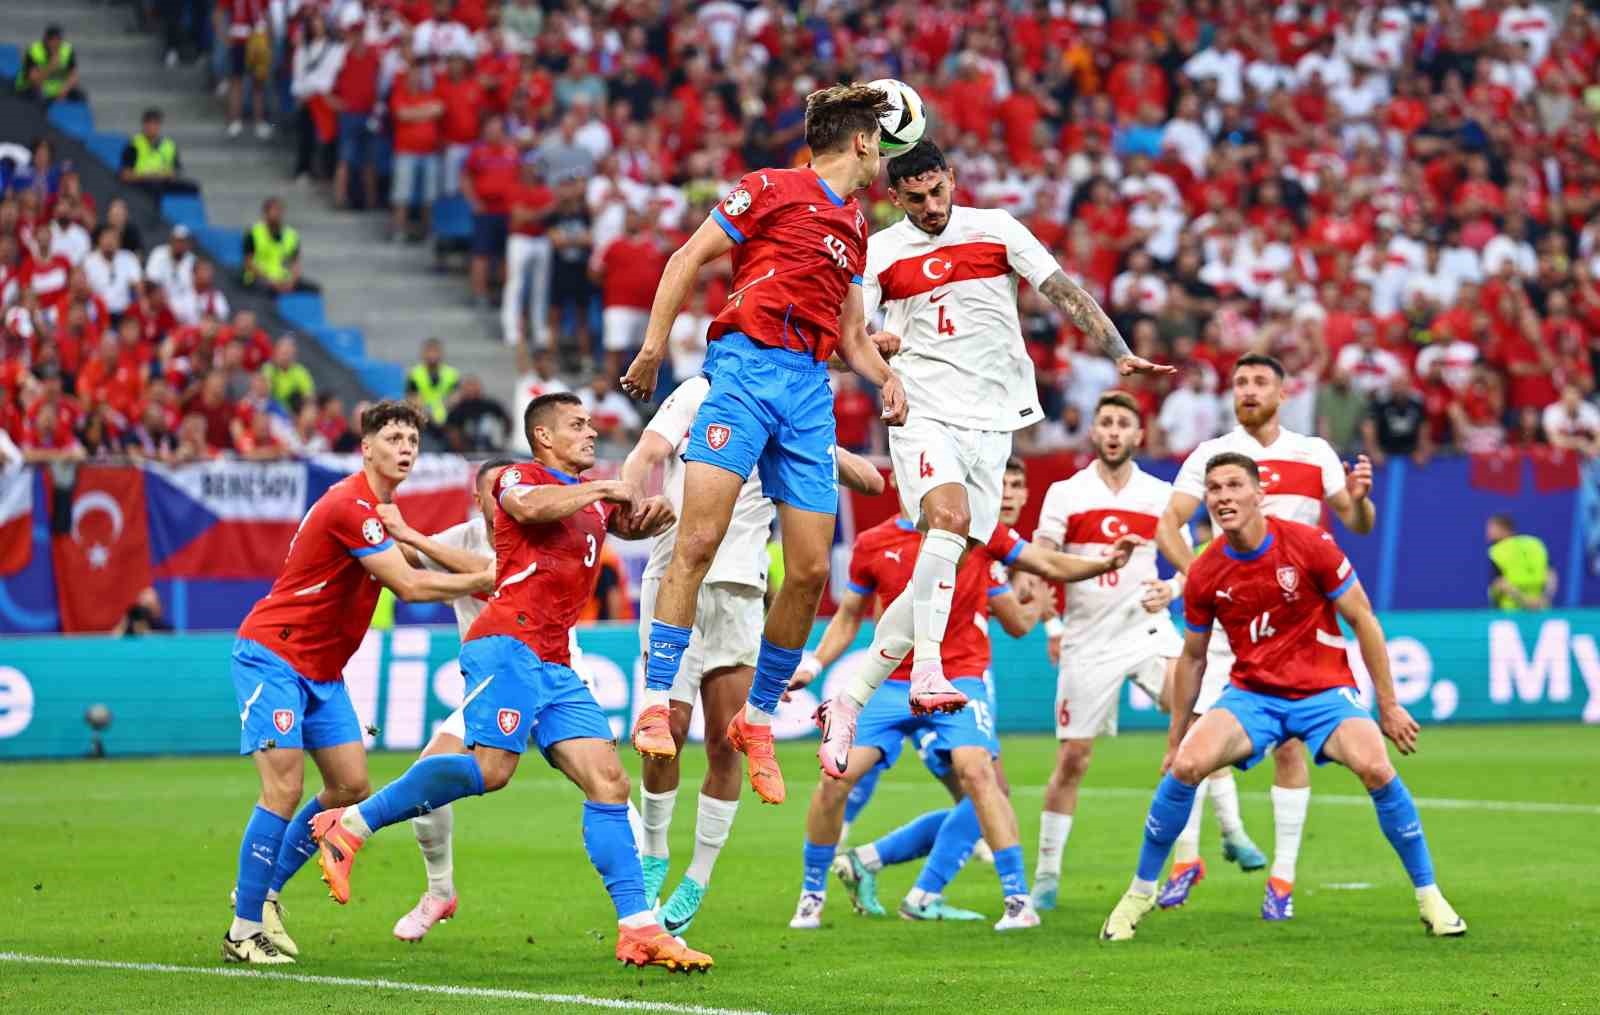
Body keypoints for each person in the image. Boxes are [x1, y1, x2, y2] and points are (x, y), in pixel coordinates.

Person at [810, 139, 1170, 928]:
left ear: (951, 184)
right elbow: (851, 331)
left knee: (955, 547)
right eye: (915, 198)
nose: (930, 208)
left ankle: (857, 690)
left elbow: (1063, 290)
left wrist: (1117, 350)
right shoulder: (881, 250)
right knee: (942, 522)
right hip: (920, 412)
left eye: (937, 193)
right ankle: (927, 667)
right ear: (897, 198)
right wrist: (881, 358)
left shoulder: (998, 228)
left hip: (993, 419)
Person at [308, 394, 712, 973]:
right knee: (492, 771)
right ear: (543, 436)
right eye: (577, 425)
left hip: (555, 660)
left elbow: (620, 520)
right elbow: (528, 507)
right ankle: (351, 824)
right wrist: (602, 489)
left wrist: (652, 514)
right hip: (507, 643)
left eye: (592, 424)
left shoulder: (588, 503)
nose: (592, 432)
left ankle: (637, 928)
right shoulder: (518, 477)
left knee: (610, 782)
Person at [617, 83, 910, 807]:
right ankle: (656, 699)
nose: (884, 158)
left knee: (810, 569)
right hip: (746, 370)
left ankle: (757, 719)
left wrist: (885, 378)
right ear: (864, 140)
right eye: (882, 142)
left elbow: (849, 339)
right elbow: (688, 256)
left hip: (809, 388)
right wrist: (654, 348)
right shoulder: (769, 188)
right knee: (700, 538)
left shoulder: (856, 225)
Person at [1100, 452, 1466, 941]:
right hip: (1253, 696)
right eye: (1214, 489)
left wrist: (1390, 704)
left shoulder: (1310, 544)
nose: (1223, 497)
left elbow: (1364, 620)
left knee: (1377, 767)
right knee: (1187, 765)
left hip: (1324, 692)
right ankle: (1139, 893)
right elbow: (1192, 658)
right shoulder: (1206, 571)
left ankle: (1431, 898)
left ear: (1259, 494)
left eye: (1234, 486)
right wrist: (1175, 737)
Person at [787, 457, 1140, 932]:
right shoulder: (874, 544)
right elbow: (849, 616)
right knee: (834, 782)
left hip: (958, 679)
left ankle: (1017, 900)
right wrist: (814, 662)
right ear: (907, 482)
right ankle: (812, 893)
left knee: (979, 775)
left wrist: (1105, 562)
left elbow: (1047, 562)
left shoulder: (979, 533)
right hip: (890, 683)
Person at [222, 400, 494, 965]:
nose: (405, 448)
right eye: (393, 437)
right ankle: (244, 930)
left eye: (412, 441)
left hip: (321, 671)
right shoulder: (353, 506)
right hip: (274, 654)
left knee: (349, 785)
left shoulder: (381, 510)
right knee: (283, 789)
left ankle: (264, 890)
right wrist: (494, 577)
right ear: (366, 447)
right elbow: (411, 588)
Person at [617, 376, 885, 935]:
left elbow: (872, 482)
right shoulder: (697, 392)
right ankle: (654, 853)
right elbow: (646, 453)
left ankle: (698, 875)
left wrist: (814, 443)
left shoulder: (791, 410)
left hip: (739, 593)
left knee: (724, 739)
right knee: (666, 730)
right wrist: (633, 499)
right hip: (673, 582)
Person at [1153, 353, 1376, 920]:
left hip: (1294, 626)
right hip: (1230, 619)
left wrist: (1361, 496)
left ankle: (1283, 878)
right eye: (1240, 383)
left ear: (1283, 392)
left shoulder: (1313, 452)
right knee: (1196, 739)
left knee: (1290, 745)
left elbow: (1356, 522)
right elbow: (1166, 523)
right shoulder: (1212, 454)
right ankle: (1185, 860)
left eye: (1259, 382)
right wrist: (1198, 575)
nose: (1248, 391)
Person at [1028, 391, 1263, 912]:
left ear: (1139, 436)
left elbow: (1191, 564)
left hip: (1146, 630)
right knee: (1073, 759)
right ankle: (1045, 875)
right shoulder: (1066, 494)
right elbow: (1042, 564)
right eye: (1105, 422)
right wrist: (1051, 625)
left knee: (1202, 723)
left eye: (1123, 425)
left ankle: (1231, 831)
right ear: (1094, 432)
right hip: (1088, 638)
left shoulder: (1159, 495)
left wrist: (1174, 590)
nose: (1113, 431)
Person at [119, 108, 199, 196]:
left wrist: (165, 175)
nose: (152, 127)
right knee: (153, 188)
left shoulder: (169, 145)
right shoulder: (133, 145)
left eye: (155, 124)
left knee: (193, 187)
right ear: (144, 125)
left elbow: (175, 172)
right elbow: (125, 175)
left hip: (163, 182)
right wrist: (150, 176)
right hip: (142, 182)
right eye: (149, 123)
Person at [1486, 513, 1557, 611]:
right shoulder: (1536, 543)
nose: (1488, 533)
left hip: (1510, 612)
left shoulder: (1497, 551)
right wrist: (1546, 598)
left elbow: (1500, 583)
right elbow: (1551, 574)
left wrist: (1524, 600)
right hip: (1541, 608)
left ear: (1504, 529)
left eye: (1492, 528)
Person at [243, 197, 310, 294]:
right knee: (267, 290)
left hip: (283, 278)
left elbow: (295, 263)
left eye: (280, 210)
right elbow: (248, 263)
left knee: (313, 288)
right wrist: (270, 280)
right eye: (274, 210)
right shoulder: (253, 233)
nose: (277, 214)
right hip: (259, 278)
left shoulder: (291, 235)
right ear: (265, 213)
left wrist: (292, 281)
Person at [17, 25, 83, 103]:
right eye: (52, 40)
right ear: (46, 40)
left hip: (56, 89)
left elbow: (74, 75)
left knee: (80, 95)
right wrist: (50, 66)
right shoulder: (34, 51)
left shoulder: (67, 50)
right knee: (36, 97)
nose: (56, 44)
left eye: (59, 40)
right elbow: (35, 82)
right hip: (33, 88)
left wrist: (64, 90)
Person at [405, 337, 459, 427]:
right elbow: (413, 398)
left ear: (441, 354)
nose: (432, 355)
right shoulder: (414, 374)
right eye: (429, 352)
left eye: (435, 352)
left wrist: (443, 411)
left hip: (448, 419)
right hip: (423, 418)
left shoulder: (452, 374)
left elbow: (455, 398)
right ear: (423, 354)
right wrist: (428, 413)